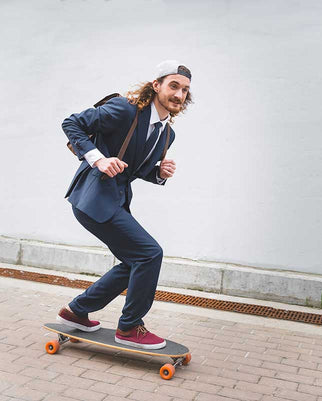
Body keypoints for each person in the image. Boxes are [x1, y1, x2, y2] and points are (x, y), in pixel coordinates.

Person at [57, 60, 192, 349]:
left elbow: (135, 168)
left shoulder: (167, 133)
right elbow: (72, 123)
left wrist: (158, 173)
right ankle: (129, 327)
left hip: (114, 201)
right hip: (92, 198)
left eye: (184, 90)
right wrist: (99, 159)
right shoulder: (125, 110)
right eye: (173, 86)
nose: (179, 94)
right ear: (156, 86)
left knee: (136, 260)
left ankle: (76, 311)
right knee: (150, 253)